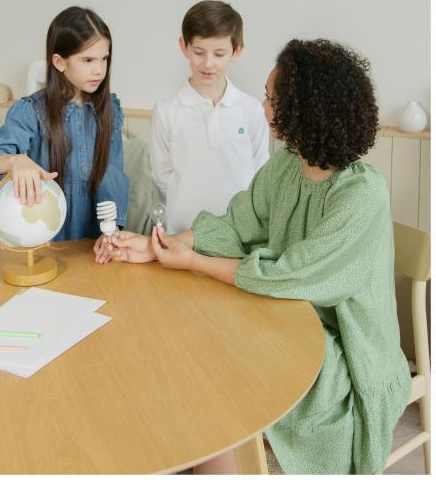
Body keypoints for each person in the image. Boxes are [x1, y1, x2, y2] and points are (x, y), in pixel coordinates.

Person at [105, 39, 411, 475]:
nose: (264, 105)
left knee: (221, 372)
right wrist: (166, 246)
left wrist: (194, 262)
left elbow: (291, 276)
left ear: (305, 109)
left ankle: (216, 455)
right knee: (204, 355)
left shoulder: (361, 193)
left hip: (344, 347)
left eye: (272, 97)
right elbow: (238, 223)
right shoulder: (288, 164)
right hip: (283, 315)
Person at [0, 6, 129, 264]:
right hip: (47, 239)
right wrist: (15, 161)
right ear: (59, 62)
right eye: (88, 60)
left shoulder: (109, 109)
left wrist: (113, 229)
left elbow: (112, 174)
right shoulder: (30, 111)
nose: (99, 70)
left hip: (99, 243)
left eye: (104, 59)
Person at [150, 0, 269, 233]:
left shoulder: (251, 110)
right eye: (199, 52)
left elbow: (260, 172)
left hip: (240, 233)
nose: (208, 63)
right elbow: (161, 176)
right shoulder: (166, 112)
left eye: (219, 54)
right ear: (184, 47)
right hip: (182, 232)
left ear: (236, 51)